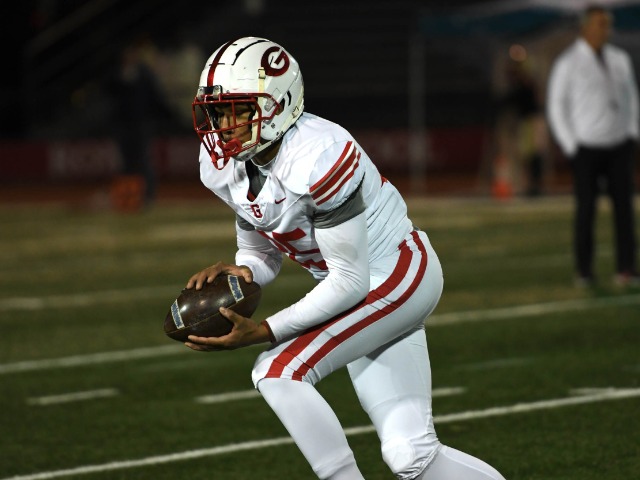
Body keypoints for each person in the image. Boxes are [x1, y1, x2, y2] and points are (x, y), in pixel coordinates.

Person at [184, 37, 507, 480]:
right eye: (218, 112)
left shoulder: (319, 155)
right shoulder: (225, 163)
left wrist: (266, 330)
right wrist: (243, 272)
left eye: (238, 110)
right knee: (411, 455)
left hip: (394, 272)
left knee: (277, 370)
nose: (225, 126)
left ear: (278, 105)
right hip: (359, 285)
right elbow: (261, 249)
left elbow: (349, 283)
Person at [546, 4, 639, 287]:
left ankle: (627, 268)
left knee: (624, 210)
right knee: (586, 210)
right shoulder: (568, 63)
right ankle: (584, 271)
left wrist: (632, 133)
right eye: (600, 24)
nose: (605, 30)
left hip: (619, 145)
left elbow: (631, 97)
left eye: (607, 24)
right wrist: (571, 146)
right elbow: (556, 106)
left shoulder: (619, 59)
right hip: (586, 147)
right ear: (585, 27)